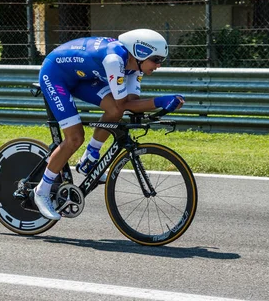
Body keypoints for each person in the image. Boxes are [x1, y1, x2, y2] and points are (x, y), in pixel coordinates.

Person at [34, 29, 184, 220]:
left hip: (82, 77)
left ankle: (88, 160)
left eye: (161, 60)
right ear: (140, 53)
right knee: (75, 137)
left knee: (114, 110)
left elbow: (130, 103)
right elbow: (126, 104)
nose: (159, 65)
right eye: (156, 60)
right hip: (56, 75)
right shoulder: (115, 60)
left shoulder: (134, 67)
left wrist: (163, 106)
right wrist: (160, 101)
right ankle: (42, 191)